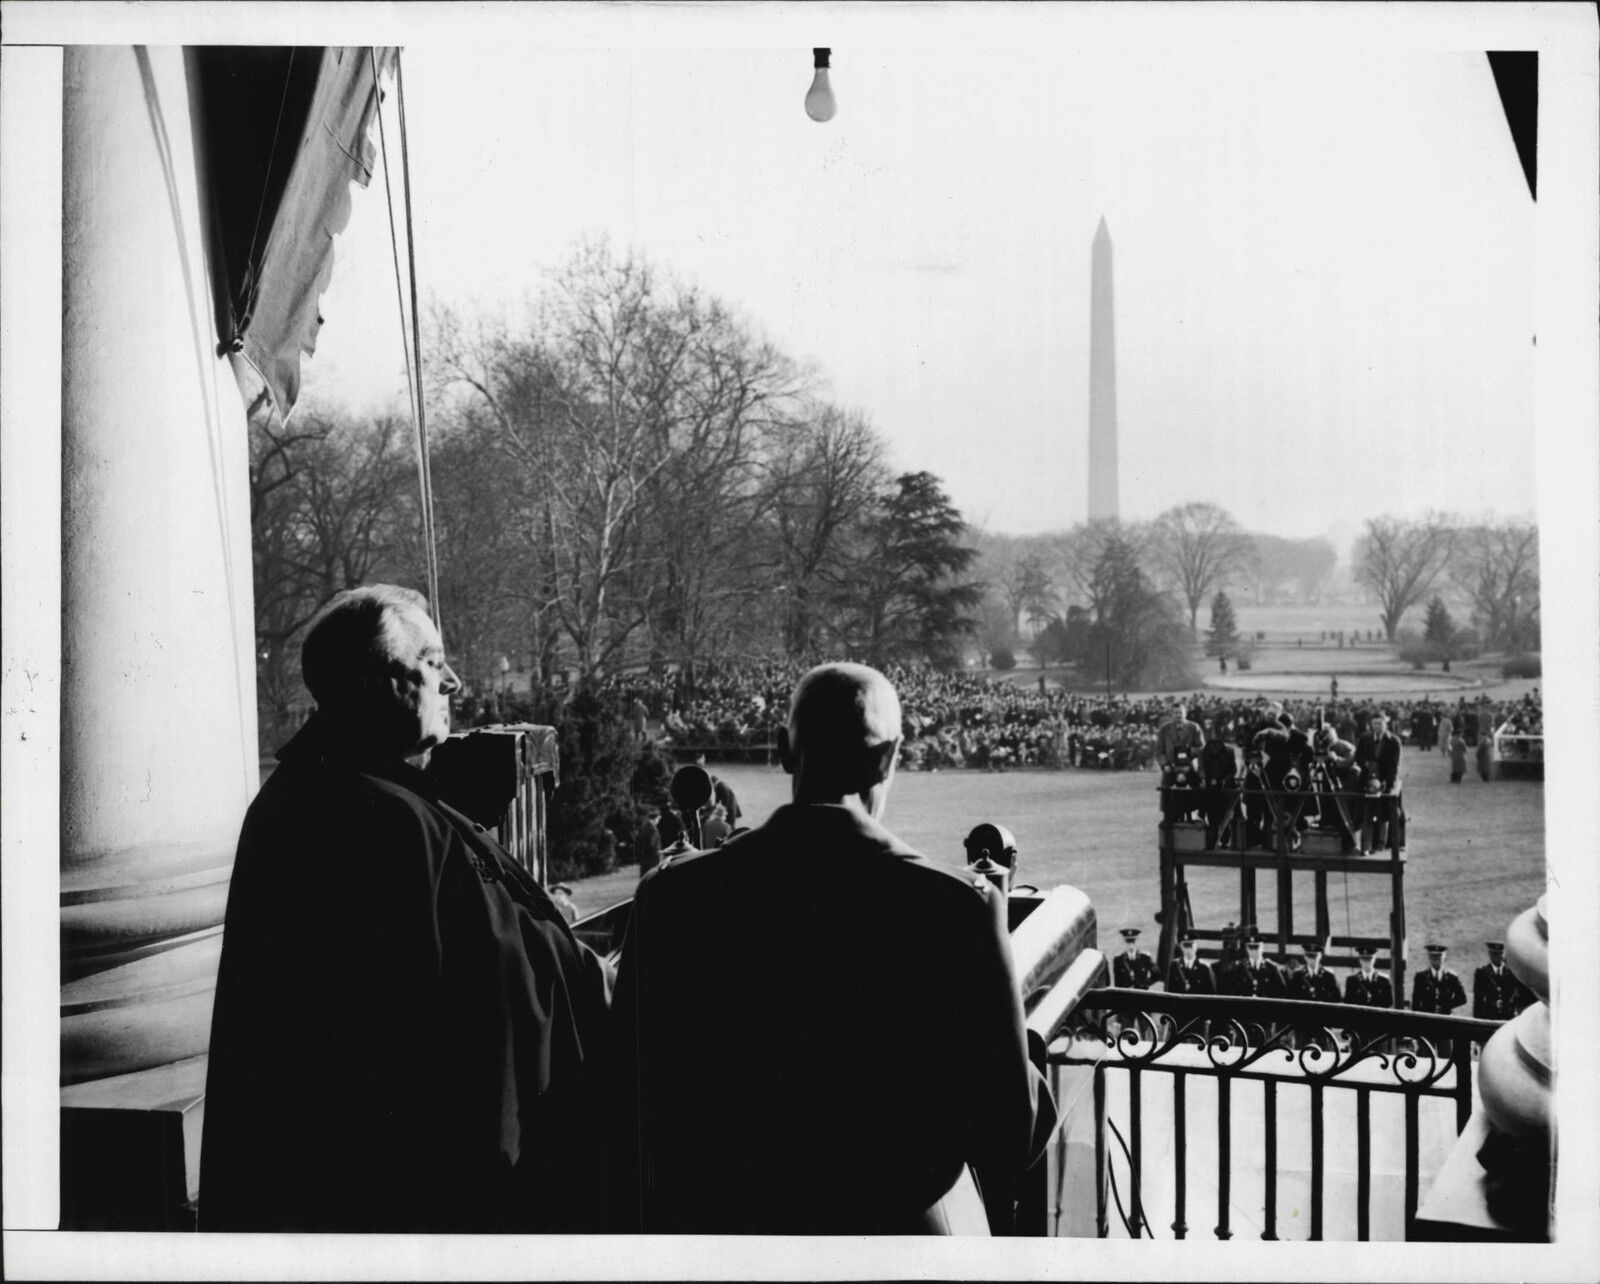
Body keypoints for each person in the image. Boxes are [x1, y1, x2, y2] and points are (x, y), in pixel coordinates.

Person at [200, 585, 613, 1232]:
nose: (451, 680)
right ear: (373, 682)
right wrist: (580, 965)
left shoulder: (337, 793)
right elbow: (457, 1003)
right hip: (403, 1202)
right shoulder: (368, 817)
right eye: (431, 661)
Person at [608, 662, 1055, 1234]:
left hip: (723, 1241)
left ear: (782, 749)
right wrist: (1024, 1054)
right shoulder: (956, 905)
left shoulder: (673, 896)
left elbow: (625, 1102)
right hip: (895, 1242)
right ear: (891, 756)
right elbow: (1007, 1133)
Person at [1286, 941, 1342, 1051]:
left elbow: (1337, 998)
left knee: (1325, 1053)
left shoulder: (1328, 975)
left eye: (1315, 956)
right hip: (1303, 1023)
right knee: (1301, 1051)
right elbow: (1291, 998)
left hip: (1323, 1021)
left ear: (1320, 956)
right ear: (1305, 957)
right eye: (1309, 956)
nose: (1312, 960)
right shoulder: (1298, 975)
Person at [1473, 941, 1535, 1022]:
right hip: (1489, 1015)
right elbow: (1478, 998)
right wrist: (1477, 1019)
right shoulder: (1482, 972)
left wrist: (1512, 1004)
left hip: (1508, 1015)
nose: (1497, 957)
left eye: (1500, 954)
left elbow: (1522, 992)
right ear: (1490, 955)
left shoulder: (1511, 972)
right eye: (1494, 954)